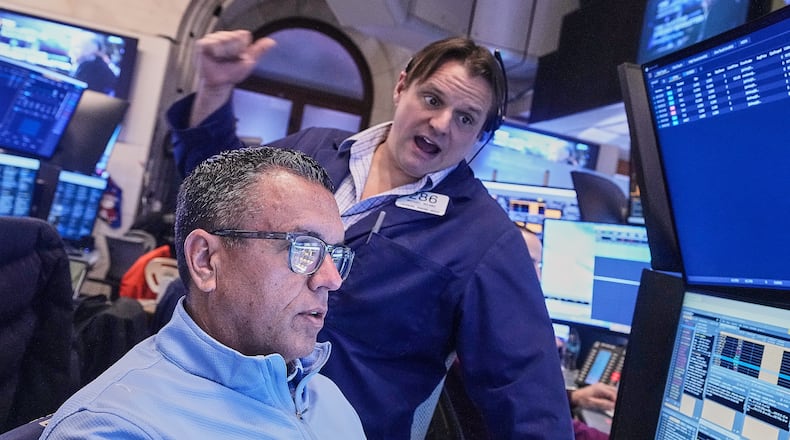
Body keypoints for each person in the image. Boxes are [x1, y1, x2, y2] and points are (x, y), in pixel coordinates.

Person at [167, 30, 573, 439]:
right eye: (432, 99)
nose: (442, 123)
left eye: (466, 118)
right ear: (402, 87)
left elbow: (529, 399)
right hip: (208, 393)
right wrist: (215, 88)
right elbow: (214, 194)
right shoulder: (314, 150)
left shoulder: (484, 239)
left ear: (481, 135)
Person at [41, 147, 366, 439]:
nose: (332, 279)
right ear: (205, 260)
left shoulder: (326, 395)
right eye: (304, 248)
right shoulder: (116, 427)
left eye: (335, 255)